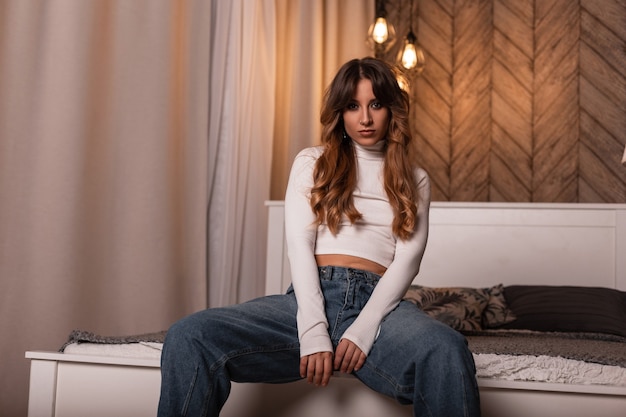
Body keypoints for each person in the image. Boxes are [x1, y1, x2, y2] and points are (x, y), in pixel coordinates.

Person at [157, 57, 480, 417]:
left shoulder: (415, 178)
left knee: (447, 348)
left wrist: (363, 329)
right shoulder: (313, 162)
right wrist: (312, 329)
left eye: (376, 105)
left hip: (380, 307)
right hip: (309, 298)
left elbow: (408, 260)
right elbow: (299, 246)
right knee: (190, 335)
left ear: (392, 110)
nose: (366, 118)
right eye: (353, 106)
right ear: (340, 113)